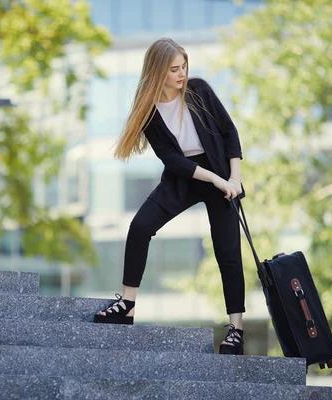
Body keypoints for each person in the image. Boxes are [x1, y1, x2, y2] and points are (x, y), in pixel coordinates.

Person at [93, 38, 246, 355]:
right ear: (158, 72)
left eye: (183, 66)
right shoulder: (149, 112)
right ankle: (128, 305)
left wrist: (234, 179)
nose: (181, 73)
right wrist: (216, 180)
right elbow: (175, 161)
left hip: (220, 171)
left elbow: (230, 133)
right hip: (185, 177)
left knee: (228, 253)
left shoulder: (199, 90)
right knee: (140, 227)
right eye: (174, 69)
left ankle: (236, 330)